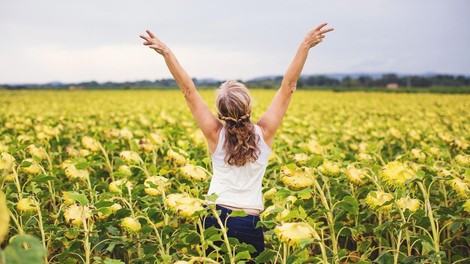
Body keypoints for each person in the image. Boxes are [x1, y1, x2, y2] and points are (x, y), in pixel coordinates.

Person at [140, 22, 334, 257]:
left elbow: (188, 91)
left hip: (215, 219)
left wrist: (166, 52)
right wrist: (305, 45)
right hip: (249, 223)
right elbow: (288, 86)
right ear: (249, 107)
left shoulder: (215, 134)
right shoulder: (265, 133)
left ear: (220, 113)